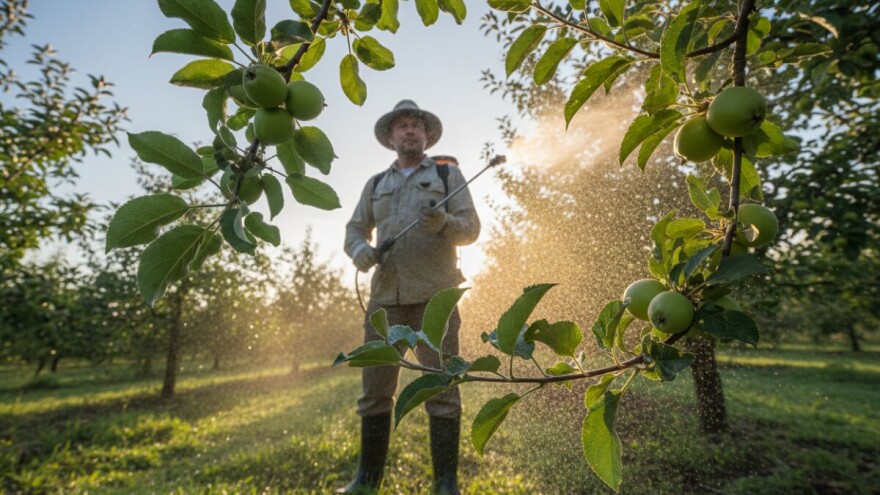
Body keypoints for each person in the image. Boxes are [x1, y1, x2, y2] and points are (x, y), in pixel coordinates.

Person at [339, 100, 481, 495]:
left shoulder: (446, 174)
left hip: (435, 300)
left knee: (442, 387)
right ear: (390, 137)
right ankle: (367, 479)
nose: (409, 131)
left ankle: (445, 484)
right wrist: (359, 251)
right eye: (402, 126)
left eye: (416, 125)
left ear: (426, 135)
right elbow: (353, 229)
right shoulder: (375, 185)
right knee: (375, 391)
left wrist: (444, 223)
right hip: (385, 301)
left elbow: (470, 229)